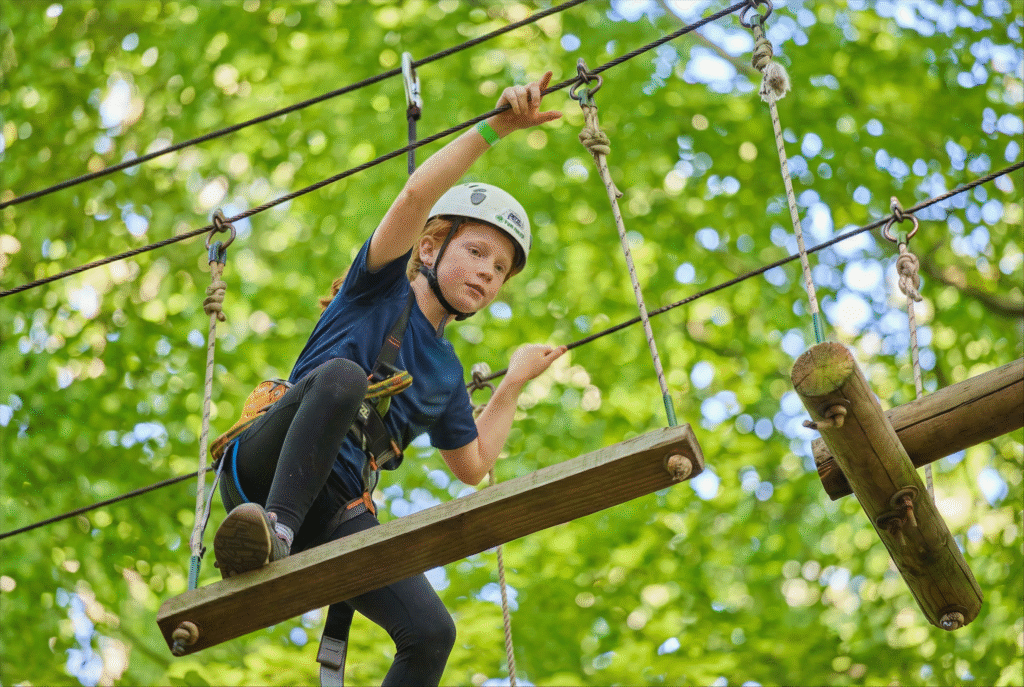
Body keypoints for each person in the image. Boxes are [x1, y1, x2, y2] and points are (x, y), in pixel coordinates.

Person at [211, 71, 565, 686]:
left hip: (339, 506)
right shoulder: (375, 288)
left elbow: (473, 465)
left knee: (432, 633)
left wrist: (511, 385)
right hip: (268, 471)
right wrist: (494, 128)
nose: (487, 273)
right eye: (476, 252)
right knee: (344, 376)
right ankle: (273, 531)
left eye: (500, 268)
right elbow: (414, 196)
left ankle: (289, 534)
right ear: (429, 249)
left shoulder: (445, 374)